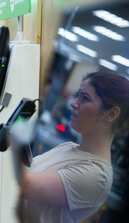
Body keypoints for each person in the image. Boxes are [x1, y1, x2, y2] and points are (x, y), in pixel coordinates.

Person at [19, 71, 129, 223]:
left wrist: (10, 137)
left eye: (84, 98)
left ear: (111, 114)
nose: (73, 103)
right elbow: (27, 169)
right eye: (78, 95)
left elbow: (22, 185)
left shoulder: (96, 176)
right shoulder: (69, 147)